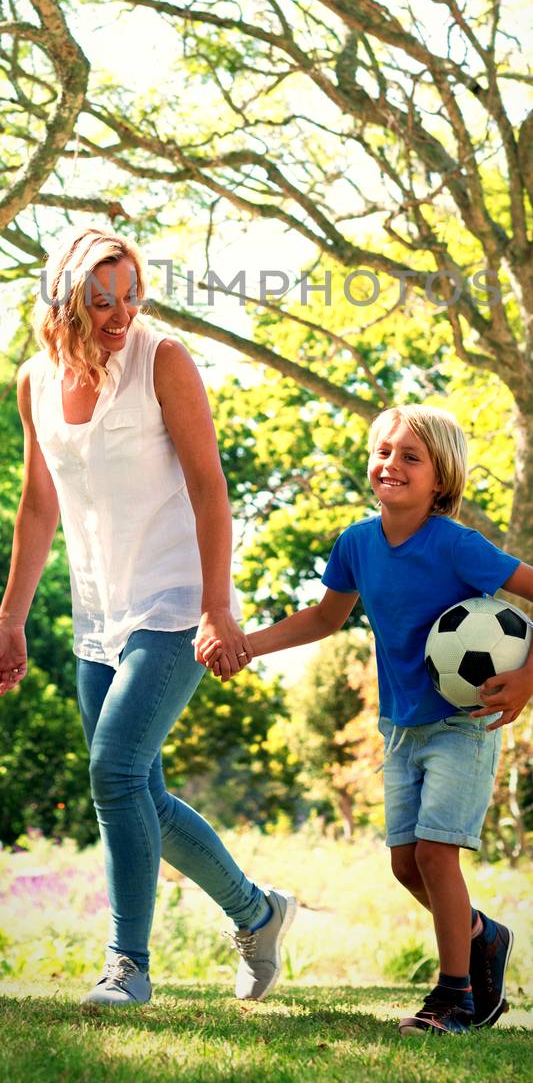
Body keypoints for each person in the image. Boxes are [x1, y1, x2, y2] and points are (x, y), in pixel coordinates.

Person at [0, 227, 296, 1007]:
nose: (120, 314)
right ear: (64, 300)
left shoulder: (162, 360)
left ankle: (127, 967)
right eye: (102, 300)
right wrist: (11, 617)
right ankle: (258, 914)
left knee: (115, 771)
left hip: (172, 605)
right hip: (99, 611)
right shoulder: (34, 380)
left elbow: (209, 489)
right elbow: (37, 507)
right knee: (139, 794)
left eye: (131, 294)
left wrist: (216, 607)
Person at [199, 404, 533, 1037]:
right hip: (401, 726)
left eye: (411, 457)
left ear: (442, 478)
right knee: (407, 865)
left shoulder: (457, 544)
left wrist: (528, 677)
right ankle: (483, 938)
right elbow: (325, 619)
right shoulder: (356, 542)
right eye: (384, 452)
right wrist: (247, 645)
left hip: (464, 725)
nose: (392, 465)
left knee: (437, 856)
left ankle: (456, 996)